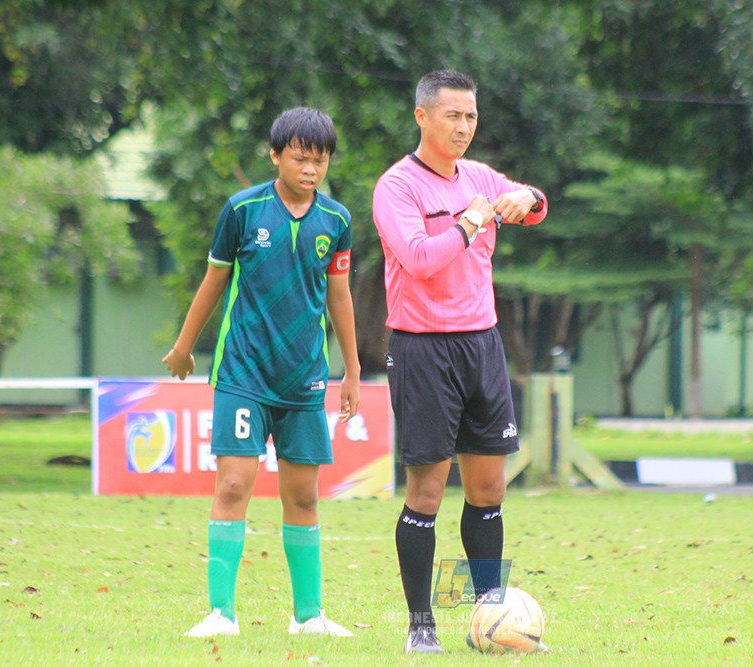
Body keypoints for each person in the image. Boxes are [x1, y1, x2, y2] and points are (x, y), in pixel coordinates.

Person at [162, 106, 361, 639]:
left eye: (319, 161)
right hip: (243, 371)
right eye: (300, 158)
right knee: (233, 483)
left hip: (304, 377)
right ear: (275, 156)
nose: (311, 170)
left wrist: (353, 370)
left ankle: (309, 616)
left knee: (303, 496)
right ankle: (220, 614)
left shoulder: (337, 221)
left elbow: (339, 296)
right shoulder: (242, 211)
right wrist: (184, 348)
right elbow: (213, 282)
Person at [372, 70, 548, 654]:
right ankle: (421, 626)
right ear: (422, 116)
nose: (464, 127)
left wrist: (528, 197)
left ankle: (487, 617)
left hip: (482, 344)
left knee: (489, 489)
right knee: (426, 491)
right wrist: (471, 219)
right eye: (453, 115)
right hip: (423, 347)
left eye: (471, 116)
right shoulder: (397, 187)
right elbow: (420, 260)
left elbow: (533, 205)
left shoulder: (478, 176)